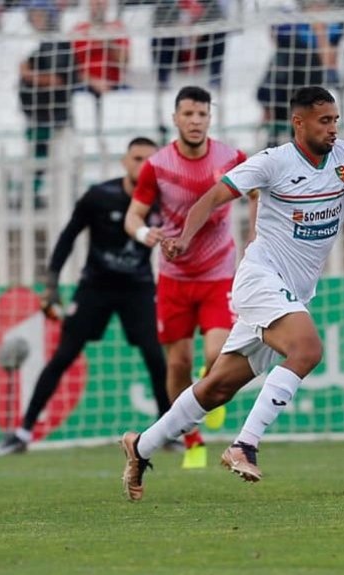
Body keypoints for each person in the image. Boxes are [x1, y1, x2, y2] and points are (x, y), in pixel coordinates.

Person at [119, 85, 344, 502]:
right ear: (299, 122)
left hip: (294, 293)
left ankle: (140, 446)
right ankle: (244, 444)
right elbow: (214, 197)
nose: (332, 129)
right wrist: (182, 239)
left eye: (335, 120)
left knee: (218, 387)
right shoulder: (274, 162)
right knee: (307, 350)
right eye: (324, 121)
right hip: (260, 278)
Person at [0, 137, 169, 456]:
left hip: (138, 288)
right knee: (63, 355)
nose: (143, 165)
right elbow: (67, 238)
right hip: (95, 287)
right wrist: (51, 285)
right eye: (137, 158)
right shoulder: (99, 196)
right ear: (124, 162)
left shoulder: (164, 201)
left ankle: (167, 432)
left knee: (156, 358)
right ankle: (23, 431)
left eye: (150, 159)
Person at [124, 86, 252, 469]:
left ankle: (208, 380)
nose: (195, 121)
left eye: (202, 114)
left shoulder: (232, 157)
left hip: (218, 273)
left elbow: (260, 189)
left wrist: (256, 236)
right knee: (176, 363)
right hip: (174, 278)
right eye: (188, 114)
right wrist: (149, 235)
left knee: (217, 354)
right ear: (175, 119)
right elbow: (134, 216)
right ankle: (191, 438)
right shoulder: (158, 165)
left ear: (210, 117)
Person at [256, 0, 344, 148]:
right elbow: (276, 40)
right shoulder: (292, 18)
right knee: (279, 126)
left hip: (311, 82)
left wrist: (319, 30)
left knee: (302, 126)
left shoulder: (333, 25)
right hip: (285, 83)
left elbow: (329, 63)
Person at [18, 0, 74, 209]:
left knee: (51, 158)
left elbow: (58, 79)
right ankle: (31, 196)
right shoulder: (40, 44)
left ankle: (41, 197)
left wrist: (28, 74)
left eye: (40, 14)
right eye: (33, 15)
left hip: (53, 115)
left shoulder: (58, 44)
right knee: (36, 158)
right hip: (36, 116)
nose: (36, 19)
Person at [151, 0, 227, 90]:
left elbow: (219, 19)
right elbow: (157, 23)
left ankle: (215, 78)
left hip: (201, 50)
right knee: (158, 38)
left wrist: (200, 29)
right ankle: (162, 80)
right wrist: (176, 28)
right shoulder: (165, 3)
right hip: (175, 53)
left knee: (219, 33)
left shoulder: (209, 2)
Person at [71, 0, 130, 98]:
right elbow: (72, 69)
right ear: (88, 4)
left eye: (102, 2)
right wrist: (93, 81)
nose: (98, 4)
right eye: (95, 2)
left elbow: (124, 63)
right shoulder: (77, 31)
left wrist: (108, 41)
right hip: (84, 86)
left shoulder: (118, 29)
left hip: (114, 86)